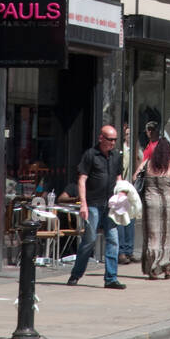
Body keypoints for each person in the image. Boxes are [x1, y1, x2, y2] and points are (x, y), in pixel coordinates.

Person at [67, 125, 125, 289]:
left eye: (115, 140)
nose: (113, 143)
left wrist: (123, 194)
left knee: (113, 240)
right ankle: (76, 274)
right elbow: (82, 179)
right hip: (93, 203)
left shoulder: (116, 156)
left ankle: (111, 278)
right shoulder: (90, 155)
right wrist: (83, 204)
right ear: (101, 138)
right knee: (90, 240)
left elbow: (119, 177)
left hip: (111, 205)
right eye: (110, 139)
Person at [141, 137, 170, 278]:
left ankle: (153, 269)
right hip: (168, 203)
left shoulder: (147, 164)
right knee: (167, 236)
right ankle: (168, 269)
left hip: (150, 203)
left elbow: (134, 178)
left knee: (152, 236)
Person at [118, 121, 138, 265]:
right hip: (120, 187)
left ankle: (129, 250)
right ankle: (121, 252)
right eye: (127, 134)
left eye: (130, 134)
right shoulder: (121, 149)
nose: (129, 137)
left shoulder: (134, 149)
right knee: (120, 219)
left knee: (131, 218)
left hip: (132, 187)